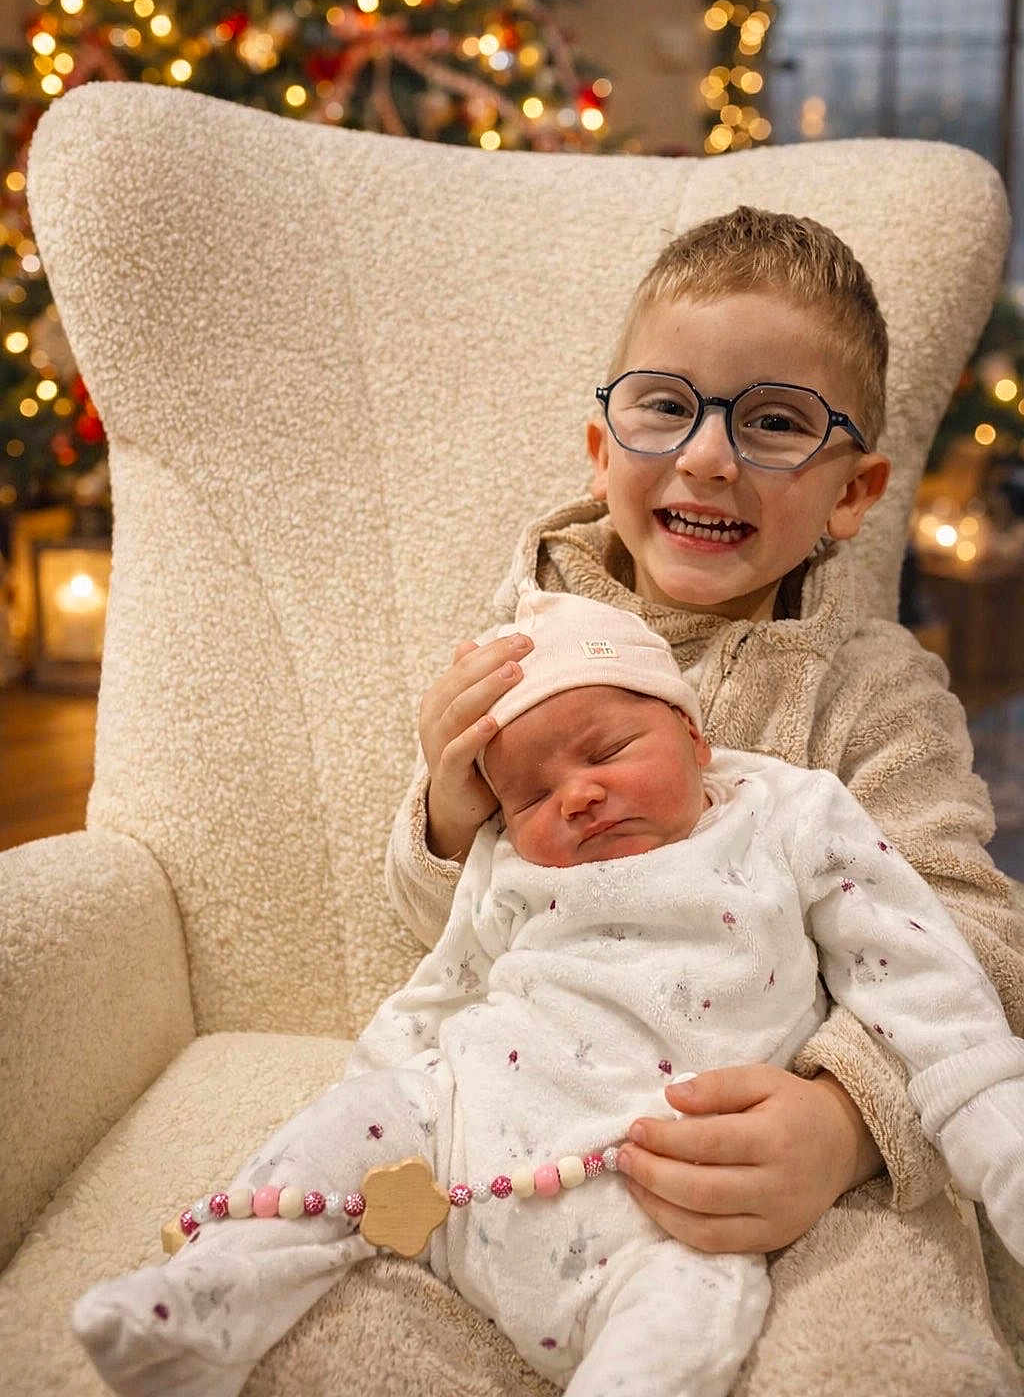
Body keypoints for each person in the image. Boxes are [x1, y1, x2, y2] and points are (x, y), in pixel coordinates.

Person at [70, 591, 1024, 1397]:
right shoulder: (508, 857)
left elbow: (923, 973)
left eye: (609, 749)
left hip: (666, 1186)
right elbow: (445, 977)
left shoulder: (789, 814)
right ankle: (205, 1302)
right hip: (469, 1136)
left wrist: (987, 1129)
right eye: (528, 797)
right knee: (344, 1127)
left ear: (696, 737)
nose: (573, 797)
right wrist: (387, 1085)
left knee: (692, 1306)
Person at [386, 206, 1024, 1394]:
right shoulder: (518, 652)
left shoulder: (874, 694)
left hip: (783, 1153)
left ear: (853, 492)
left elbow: (972, 937)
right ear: (599, 444)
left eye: (775, 423)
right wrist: (444, 809)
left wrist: (841, 1123)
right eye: (665, 406)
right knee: (330, 1302)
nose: (709, 455)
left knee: (885, 1357)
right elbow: (444, 938)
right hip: (532, 1131)